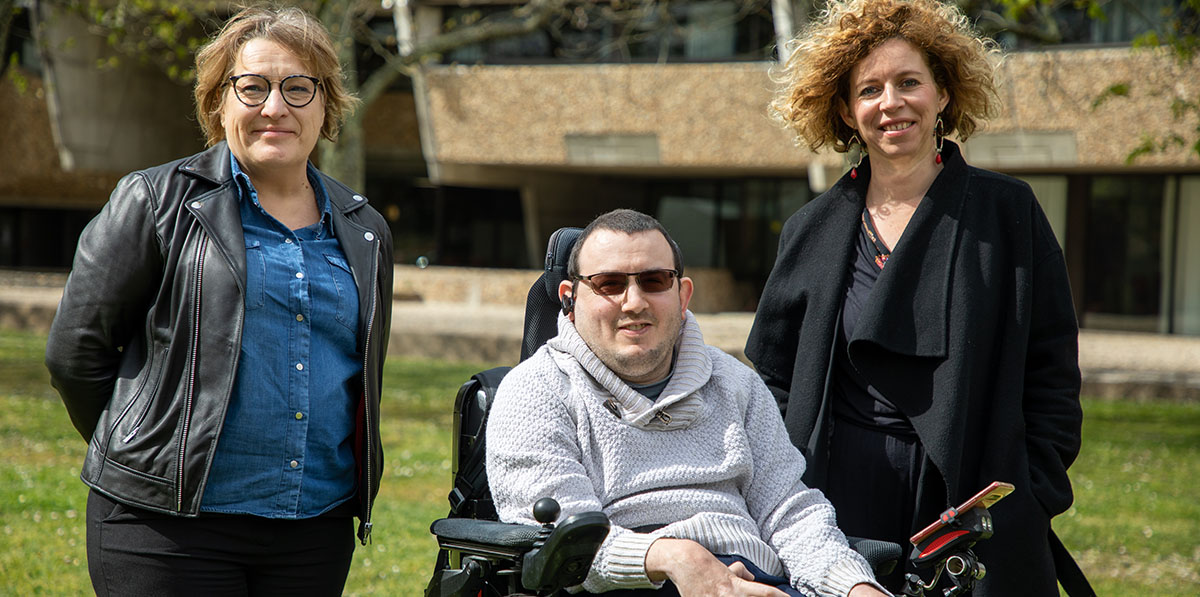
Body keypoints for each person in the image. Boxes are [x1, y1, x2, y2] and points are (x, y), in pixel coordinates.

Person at [43, 6, 393, 596]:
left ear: (326, 105)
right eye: (252, 87)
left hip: (314, 531)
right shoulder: (154, 201)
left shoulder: (365, 229)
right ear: (218, 103)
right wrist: (147, 448)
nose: (275, 107)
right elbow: (75, 355)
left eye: (298, 88)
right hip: (166, 530)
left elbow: (359, 375)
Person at [745, 0, 1085, 595]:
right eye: (869, 89)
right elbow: (774, 380)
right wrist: (787, 493)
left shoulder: (1007, 213)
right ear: (845, 110)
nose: (890, 103)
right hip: (836, 502)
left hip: (969, 498)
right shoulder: (810, 229)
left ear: (944, 93)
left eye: (909, 82)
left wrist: (1032, 492)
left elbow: (1051, 369)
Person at [486, 209, 889, 597]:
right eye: (609, 284)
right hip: (628, 584)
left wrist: (853, 585)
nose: (634, 302)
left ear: (683, 295)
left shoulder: (736, 383)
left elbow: (790, 513)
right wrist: (676, 559)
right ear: (569, 299)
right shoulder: (535, 392)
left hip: (757, 577)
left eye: (654, 280)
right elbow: (567, 542)